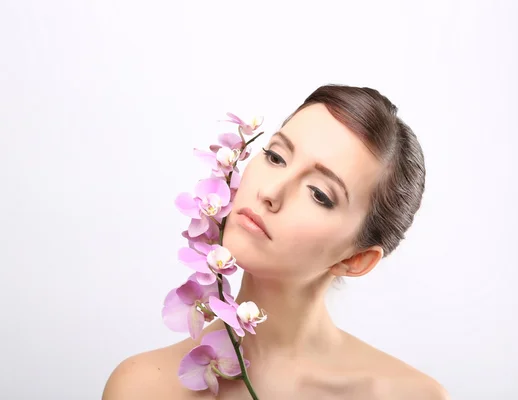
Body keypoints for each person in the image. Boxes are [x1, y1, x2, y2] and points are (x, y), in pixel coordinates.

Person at [102, 84, 450, 399]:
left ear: (355, 259)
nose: (270, 192)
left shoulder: (411, 396)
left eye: (319, 194)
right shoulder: (142, 388)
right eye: (276, 157)